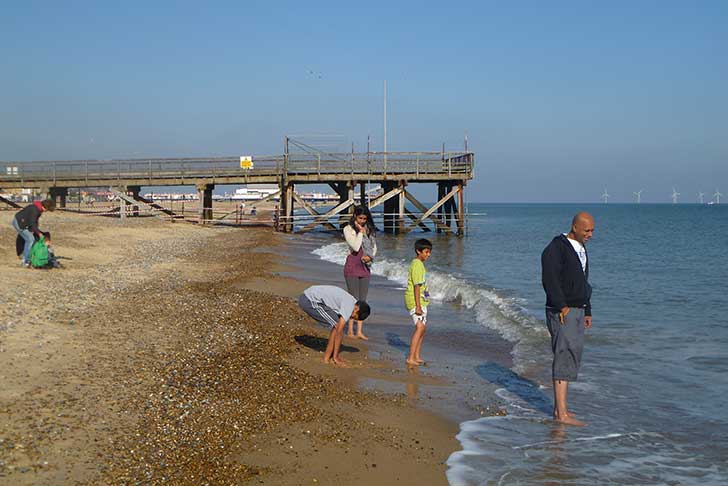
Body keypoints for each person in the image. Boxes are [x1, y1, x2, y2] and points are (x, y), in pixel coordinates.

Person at [541, 211, 595, 427]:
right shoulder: (556, 248)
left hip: (578, 309)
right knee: (563, 356)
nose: (590, 234)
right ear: (575, 227)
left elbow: (583, 281)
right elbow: (549, 278)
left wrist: (587, 309)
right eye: (586, 230)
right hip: (561, 310)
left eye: (592, 230)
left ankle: (560, 407)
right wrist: (562, 306)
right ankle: (560, 414)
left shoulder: (581, 248)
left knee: (572, 355)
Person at [298, 285, 371, 366]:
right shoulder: (350, 306)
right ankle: (327, 358)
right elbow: (339, 331)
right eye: (354, 317)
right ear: (357, 309)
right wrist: (336, 357)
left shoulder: (352, 301)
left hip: (309, 295)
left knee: (336, 324)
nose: (351, 317)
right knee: (337, 325)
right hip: (308, 300)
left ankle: (328, 356)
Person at [343, 206, 377, 339]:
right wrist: (360, 232)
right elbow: (356, 246)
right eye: (360, 218)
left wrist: (371, 257)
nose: (362, 221)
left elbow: (374, 247)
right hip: (352, 266)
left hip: (365, 266)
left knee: (363, 300)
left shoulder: (370, 230)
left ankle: (359, 331)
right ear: (355, 216)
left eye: (365, 218)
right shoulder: (348, 229)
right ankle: (351, 330)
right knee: (353, 300)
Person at [405, 238, 432, 366]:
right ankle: (411, 357)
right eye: (426, 252)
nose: (428, 254)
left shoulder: (420, 265)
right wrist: (418, 306)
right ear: (418, 251)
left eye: (429, 252)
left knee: (422, 328)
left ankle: (416, 355)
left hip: (422, 300)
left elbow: (422, 285)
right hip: (415, 301)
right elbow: (416, 286)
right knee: (420, 327)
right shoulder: (416, 265)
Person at [12, 199, 55, 267]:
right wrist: (39, 233)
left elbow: (34, 222)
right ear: (45, 207)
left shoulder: (38, 208)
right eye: (47, 210)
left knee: (30, 237)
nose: (46, 211)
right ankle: (25, 261)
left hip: (24, 222)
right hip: (19, 222)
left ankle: (25, 254)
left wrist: (37, 232)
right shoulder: (35, 210)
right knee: (30, 239)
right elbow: (32, 223)